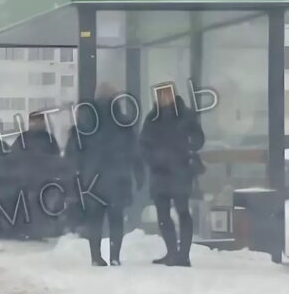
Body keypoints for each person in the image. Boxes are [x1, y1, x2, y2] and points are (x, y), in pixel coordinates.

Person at [64, 84, 142, 266]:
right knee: (116, 219)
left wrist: (77, 175)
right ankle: (114, 257)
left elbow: (73, 152)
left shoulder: (86, 122)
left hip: (92, 179)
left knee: (95, 219)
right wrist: (138, 176)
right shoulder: (123, 123)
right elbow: (135, 152)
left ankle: (96, 257)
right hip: (117, 178)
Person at [138, 86, 206, 267]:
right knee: (163, 214)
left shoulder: (186, 115)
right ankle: (172, 253)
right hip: (160, 173)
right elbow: (143, 145)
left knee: (183, 212)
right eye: (160, 94)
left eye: (167, 93)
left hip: (180, 172)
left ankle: (183, 255)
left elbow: (198, 139)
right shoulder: (152, 119)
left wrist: (187, 149)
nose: (164, 97)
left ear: (174, 94)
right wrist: (153, 159)